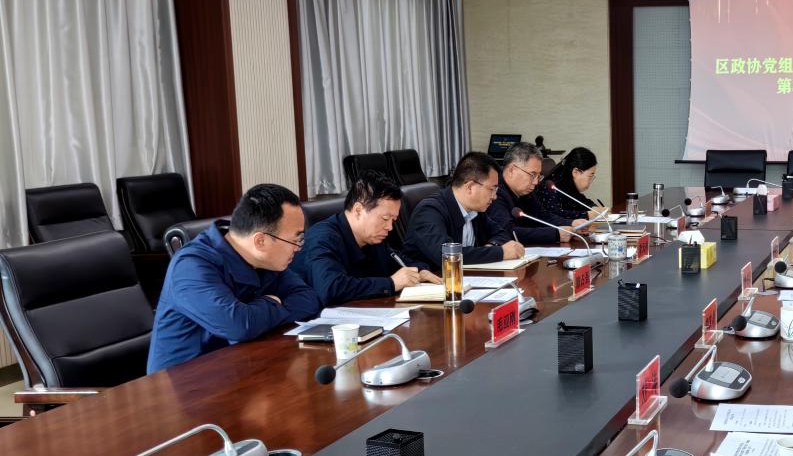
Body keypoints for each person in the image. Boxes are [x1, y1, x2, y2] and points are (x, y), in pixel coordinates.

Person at [148, 184, 321, 373]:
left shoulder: (265, 260)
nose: (298, 248)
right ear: (260, 241)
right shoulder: (191, 266)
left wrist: (255, 314)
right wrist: (270, 303)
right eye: (295, 240)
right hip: (185, 381)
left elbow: (308, 299)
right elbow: (239, 326)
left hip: (242, 367)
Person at [292, 171, 438, 306]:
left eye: (393, 220)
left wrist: (420, 271)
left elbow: (399, 260)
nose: (390, 227)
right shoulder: (322, 238)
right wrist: (391, 284)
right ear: (358, 211)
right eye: (385, 218)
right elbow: (330, 288)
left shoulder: (373, 238)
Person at [403, 151, 525, 269]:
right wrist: (499, 252)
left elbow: (501, 233)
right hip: (432, 279)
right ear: (470, 187)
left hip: (466, 277)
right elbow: (448, 256)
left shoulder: (475, 210)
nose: (495, 196)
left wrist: (492, 246)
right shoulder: (429, 211)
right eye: (492, 189)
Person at [485, 141, 586, 247]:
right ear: (511, 170)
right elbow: (507, 232)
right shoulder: (494, 192)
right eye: (532, 175)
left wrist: (571, 224)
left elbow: (543, 216)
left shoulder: (526, 191)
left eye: (538, 176)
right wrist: (555, 234)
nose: (536, 182)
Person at [538, 146, 602, 220]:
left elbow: (582, 201)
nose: (591, 181)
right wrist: (586, 215)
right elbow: (554, 215)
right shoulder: (551, 186)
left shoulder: (569, 183)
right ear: (575, 172)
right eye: (590, 176)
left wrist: (594, 208)